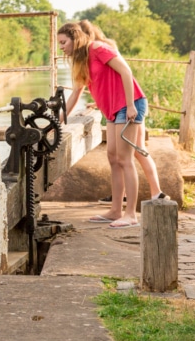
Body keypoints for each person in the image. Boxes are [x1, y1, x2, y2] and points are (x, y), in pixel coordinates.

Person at [59, 21, 168, 228]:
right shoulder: (80, 61)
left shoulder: (98, 48)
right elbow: (75, 94)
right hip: (111, 109)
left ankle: (131, 215)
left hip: (129, 105)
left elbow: (126, 72)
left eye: (64, 42)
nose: (62, 47)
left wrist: (130, 105)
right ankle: (115, 210)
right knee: (112, 157)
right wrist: (58, 121)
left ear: (76, 38)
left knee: (124, 159)